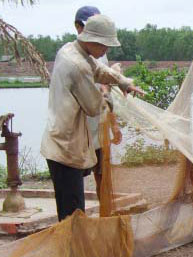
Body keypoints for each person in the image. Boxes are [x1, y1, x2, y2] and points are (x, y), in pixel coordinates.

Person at [41, 14, 144, 221]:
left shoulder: (70, 49)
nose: (106, 50)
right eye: (104, 45)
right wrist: (111, 100)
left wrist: (123, 82)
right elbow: (94, 106)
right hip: (66, 147)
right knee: (73, 214)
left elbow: (98, 69)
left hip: (61, 141)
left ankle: (74, 249)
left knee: (71, 209)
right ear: (92, 40)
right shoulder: (77, 65)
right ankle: (74, 251)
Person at [74, 6, 122, 200]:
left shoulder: (100, 53)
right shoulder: (74, 57)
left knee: (102, 172)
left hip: (99, 124)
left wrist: (114, 124)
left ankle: (105, 211)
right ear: (78, 27)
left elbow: (105, 87)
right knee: (78, 172)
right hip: (80, 127)